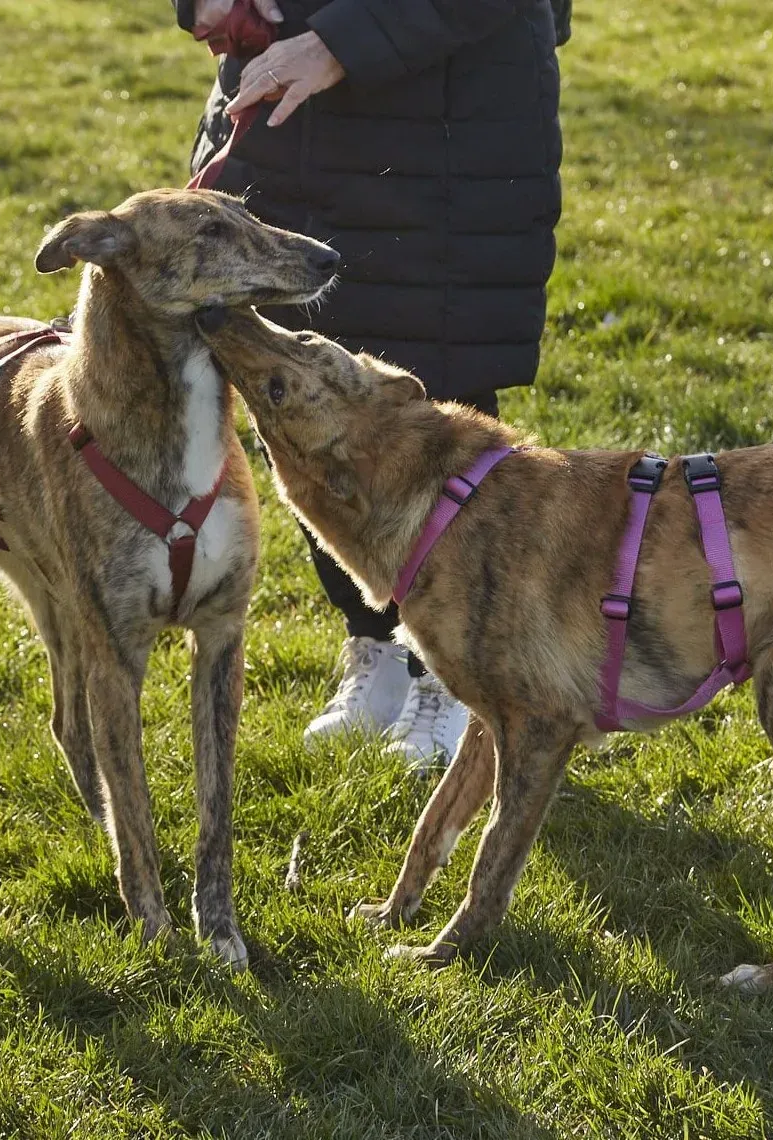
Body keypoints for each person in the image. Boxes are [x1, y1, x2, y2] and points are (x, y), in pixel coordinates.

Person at [175, 0, 567, 768]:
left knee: (430, 395)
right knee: (289, 397)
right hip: (288, 114)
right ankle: (375, 650)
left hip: (445, 125)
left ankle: (452, 678)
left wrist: (343, 42)